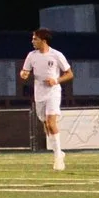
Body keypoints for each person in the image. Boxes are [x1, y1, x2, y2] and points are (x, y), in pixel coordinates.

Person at [22, 29, 74, 172]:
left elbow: (69, 74)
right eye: (33, 39)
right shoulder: (31, 56)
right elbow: (25, 71)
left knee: (51, 123)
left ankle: (58, 157)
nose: (32, 41)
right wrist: (24, 74)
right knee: (45, 124)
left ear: (43, 41)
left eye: (35, 39)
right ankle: (58, 152)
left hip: (53, 92)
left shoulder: (57, 55)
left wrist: (56, 80)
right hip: (39, 93)